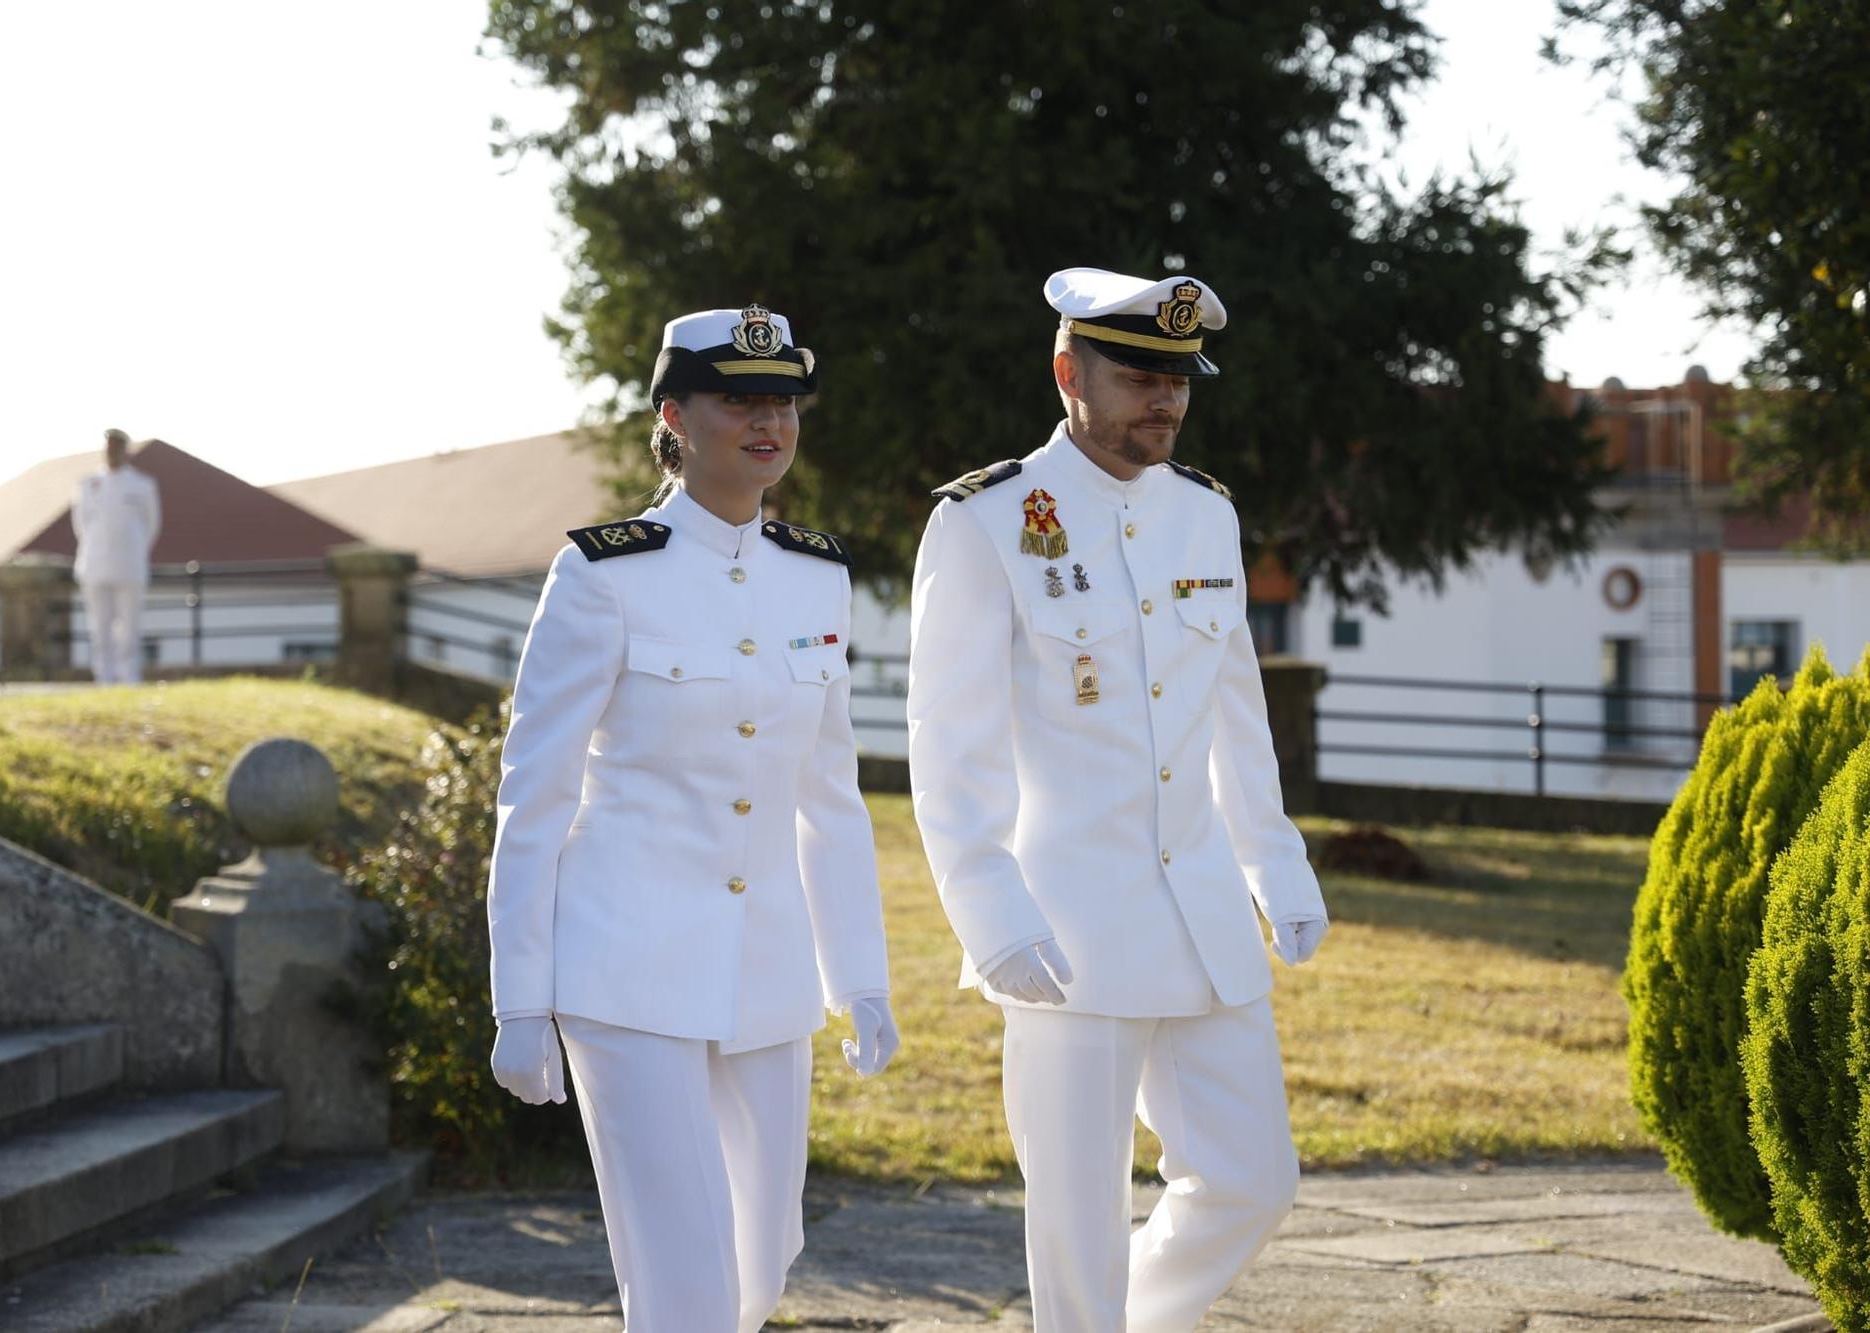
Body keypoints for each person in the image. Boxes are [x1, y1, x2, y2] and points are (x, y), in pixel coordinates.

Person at [905, 268, 1329, 1330]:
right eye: (1137, 374)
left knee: (1251, 1180)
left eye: (1177, 377)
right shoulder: (985, 521)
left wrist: (1274, 865)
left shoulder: (1203, 515)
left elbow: (1236, 716)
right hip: (1064, 929)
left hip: (1202, 923)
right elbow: (945, 748)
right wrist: (988, 915)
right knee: (1076, 1220)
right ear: (1066, 373)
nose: (1164, 399)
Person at [487, 305, 899, 1333]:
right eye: (737, 398)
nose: (767, 420)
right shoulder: (602, 570)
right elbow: (533, 793)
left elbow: (828, 798)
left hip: (766, 971)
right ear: (674, 415)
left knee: (763, 1261)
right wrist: (518, 1000)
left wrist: (859, 977)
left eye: (782, 399)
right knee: (684, 1284)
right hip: (625, 969)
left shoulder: (816, 572)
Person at [71, 428, 161, 685]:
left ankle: (129, 676)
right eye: (108, 446)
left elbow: (151, 524)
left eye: (116, 447)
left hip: (130, 565)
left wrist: (135, 551)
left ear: (125, 450)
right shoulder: (88, 484)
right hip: (95, 565)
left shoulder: (142, 485)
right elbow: (82, 524)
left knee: (129, 626)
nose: (111, 452)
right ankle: (104, 677)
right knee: (100, 627)